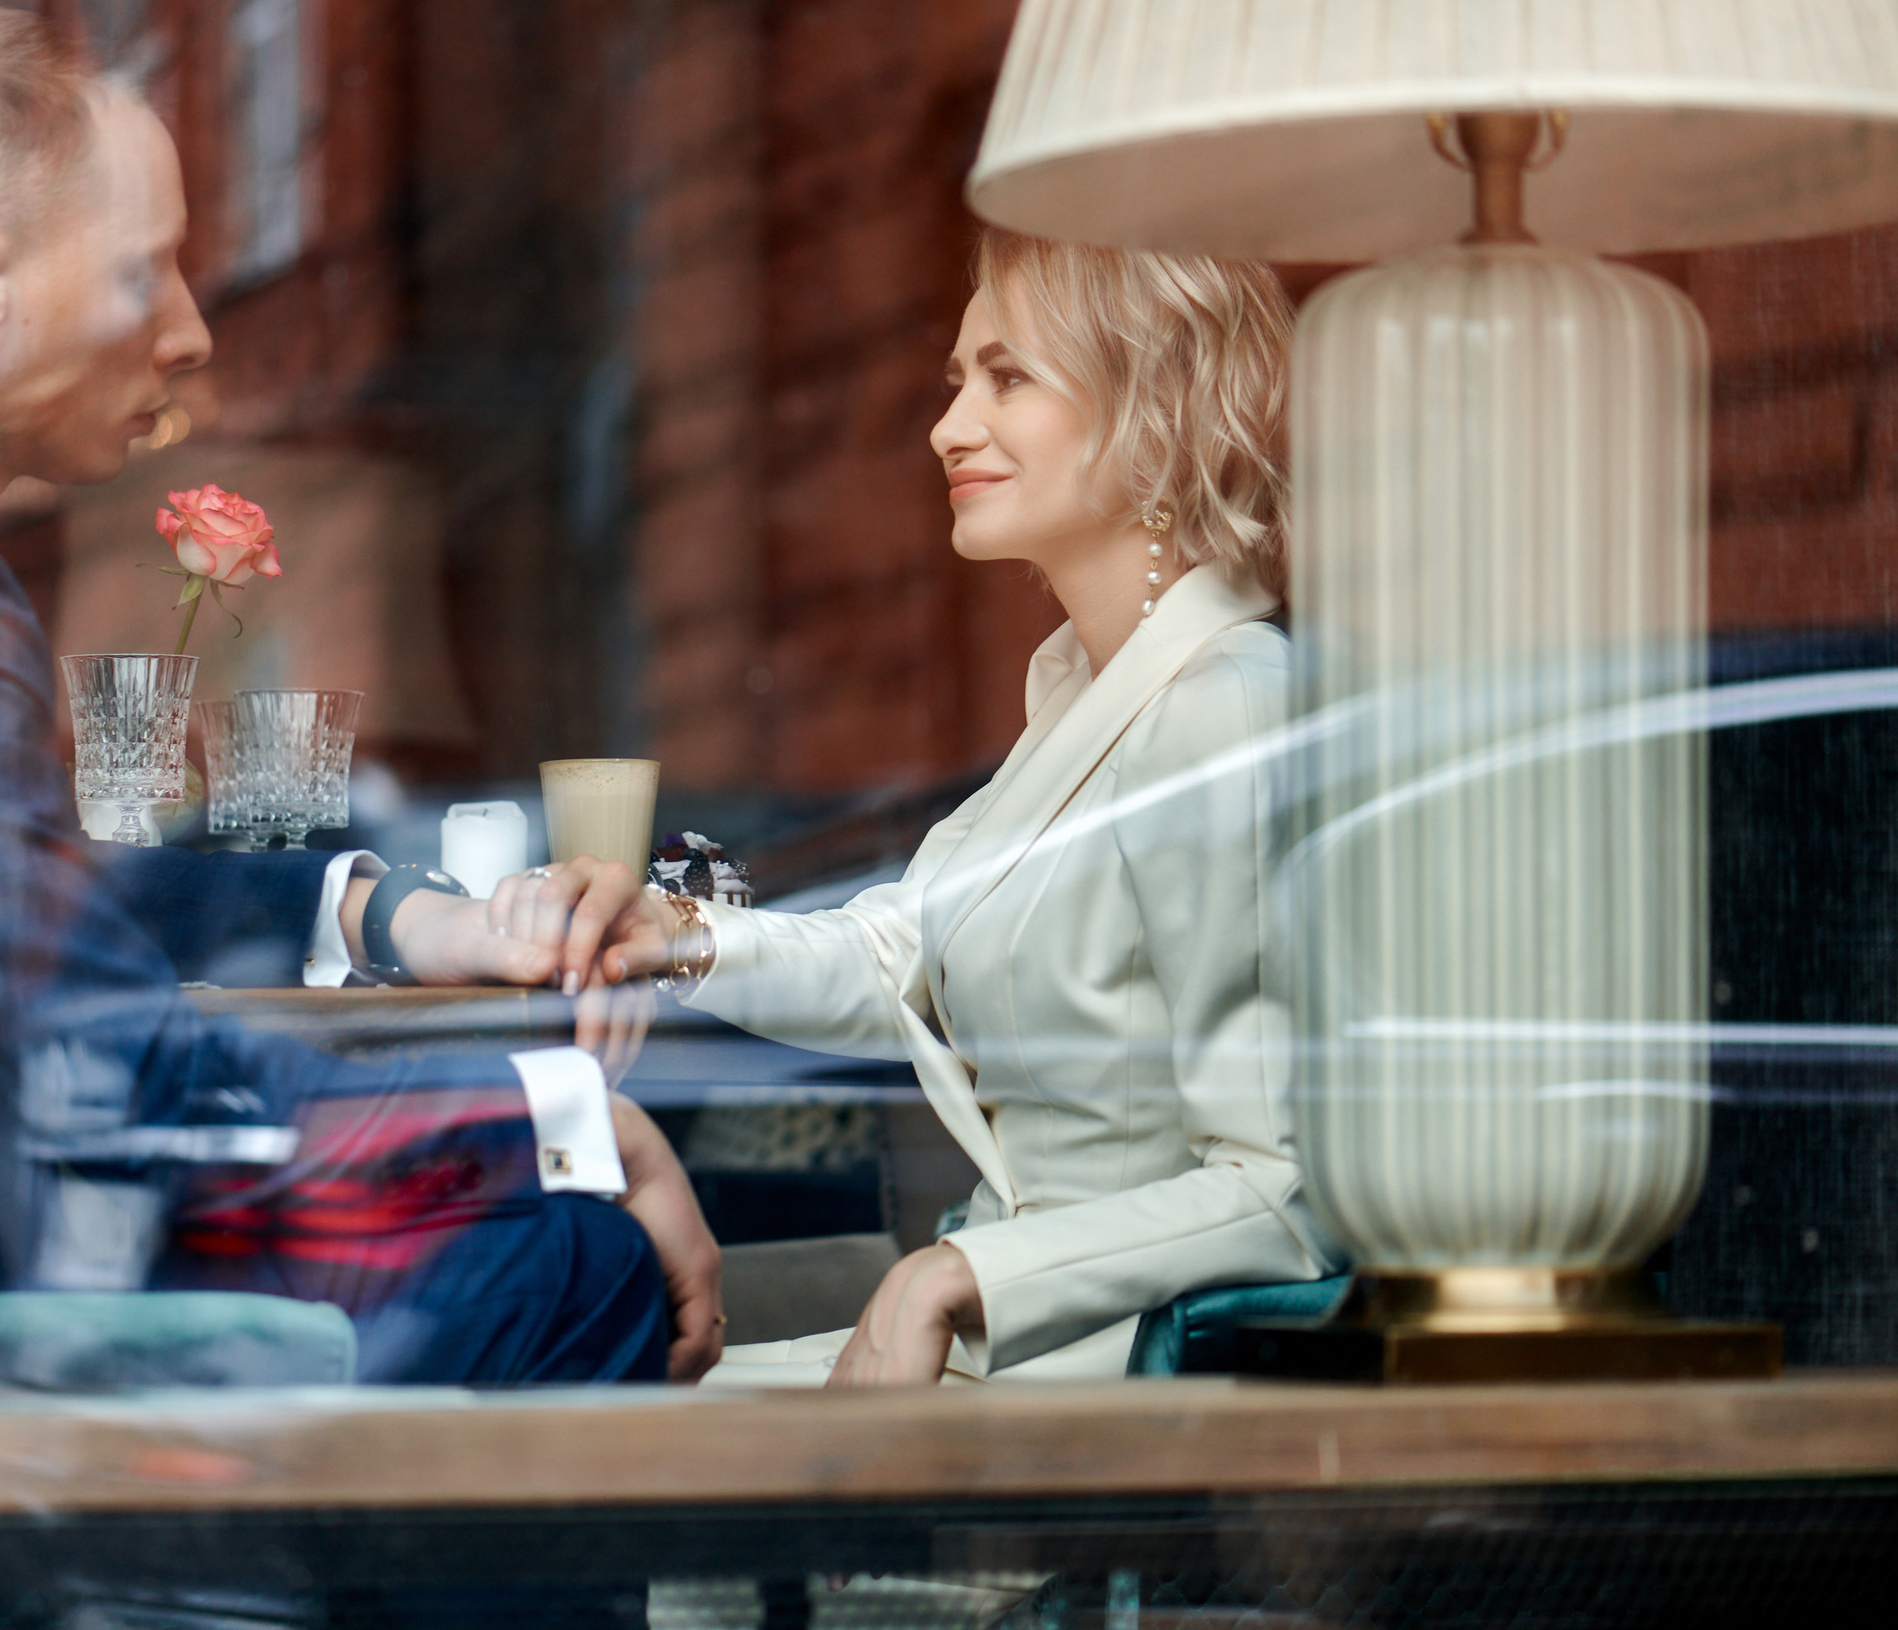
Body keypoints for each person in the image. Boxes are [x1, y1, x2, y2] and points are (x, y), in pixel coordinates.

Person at [0, 8, 719, 1384]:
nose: (194, 332)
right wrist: (570, 1116)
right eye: (147, 275)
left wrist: (386, 904)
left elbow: (52, 898)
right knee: (576, 1256)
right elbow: (107, 1058)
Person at [516, 231, 1342, 1386]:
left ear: (1157, 405)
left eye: (1007, 378)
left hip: (1094, 1381)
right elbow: (906, 945)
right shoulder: (1087, 692)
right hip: (996, 1349)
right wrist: (678, 937)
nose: (946, 427)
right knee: (556, 1389)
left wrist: (951, 1281)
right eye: (959, 384)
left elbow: (1285, 1188)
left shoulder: (1223, 709)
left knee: (560, 1429)